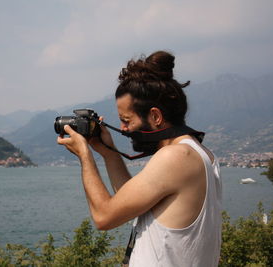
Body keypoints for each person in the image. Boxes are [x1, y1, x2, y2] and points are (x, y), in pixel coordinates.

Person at [57, 50, 222, 266]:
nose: (124, 129)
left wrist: (85, 156)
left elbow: (103, 217)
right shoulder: (199, 153)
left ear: (155, 116)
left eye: (126, 120)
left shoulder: (176, 156)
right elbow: (132, 199)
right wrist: (107, 151)